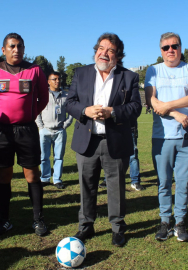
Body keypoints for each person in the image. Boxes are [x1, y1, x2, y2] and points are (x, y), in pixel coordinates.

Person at [65, 33, 142, 247]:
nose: (104, 53)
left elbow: (135, 107)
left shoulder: (129, 77)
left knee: (116, 187)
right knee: (86, 186)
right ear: (95, 50)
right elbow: (70, 103)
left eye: (110, 50)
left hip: (114, 141)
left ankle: (117, 228)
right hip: (86, 141)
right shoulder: (80, 73)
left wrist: (112, 112)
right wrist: (85, 110)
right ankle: (86, 227)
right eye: (101, 48)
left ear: (118, 56)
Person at [0, 33, 49, 236]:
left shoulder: (35, 70)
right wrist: (3, 117)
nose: (16, 49)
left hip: (26, 129)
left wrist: (26, 115)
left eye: (20, 46)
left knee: (32, 174)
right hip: (1, 131)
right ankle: (4, 220)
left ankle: (38, 219)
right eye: (12, 46)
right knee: (4, 175)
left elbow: (43, 99)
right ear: (3, 50)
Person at [144, 32, 188, 242]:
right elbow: (152, 102)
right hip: (162, 137)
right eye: (166, 47)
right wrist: (176, 112)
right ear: (161, 51)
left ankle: (180, 221)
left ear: (180, 48)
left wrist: (167, 105)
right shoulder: (153, 70)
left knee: (184, 183)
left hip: (187, 137)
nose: (170, 50)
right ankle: (165, 221)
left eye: (174, 46)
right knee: (164, 182)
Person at [35, 71, 73, 189]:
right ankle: (45, 178)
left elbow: (71, 113)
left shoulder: (66, 96)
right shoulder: (42, 95)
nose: (57, 81)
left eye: (58, 79)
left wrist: (65, 125)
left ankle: (57, 179)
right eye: (54, 79)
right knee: (44, 156)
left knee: (59, 157)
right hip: (45, 130)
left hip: (59, 131)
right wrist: (41, 126)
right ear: (48, 81)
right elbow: (37, 111)